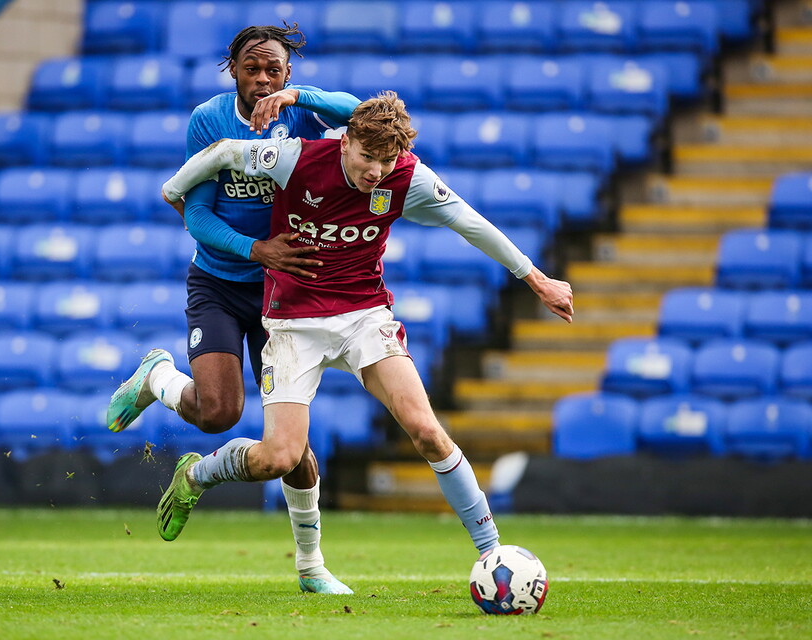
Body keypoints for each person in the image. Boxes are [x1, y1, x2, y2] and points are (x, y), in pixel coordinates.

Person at [152, 92, 575, 580]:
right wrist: (173, 187)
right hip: (293, 323)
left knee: (427, 432)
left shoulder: (408, 176)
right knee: (279, 457)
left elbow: (469, 223)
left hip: (365, 318)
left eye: (387, 159)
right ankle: (197, 474)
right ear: (344, 141)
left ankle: (491, 552)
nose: (376, 170)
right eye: (367, 157)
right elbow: (226, 151)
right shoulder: (296, 158)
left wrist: (536, 278)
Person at [106, 24, 359, 595]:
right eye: (252, 68)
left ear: (288, 73)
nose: (263, 78)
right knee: (219, 413)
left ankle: (311, 566)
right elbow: (194, 216)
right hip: (220, 282)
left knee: (290, 446)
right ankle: (159, 378)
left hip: (283, 297)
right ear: (234, 71)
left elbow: (364, 112)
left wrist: (302, 98)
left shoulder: (303, 114)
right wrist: (257, 249)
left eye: (274, 69)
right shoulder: (209, 122)